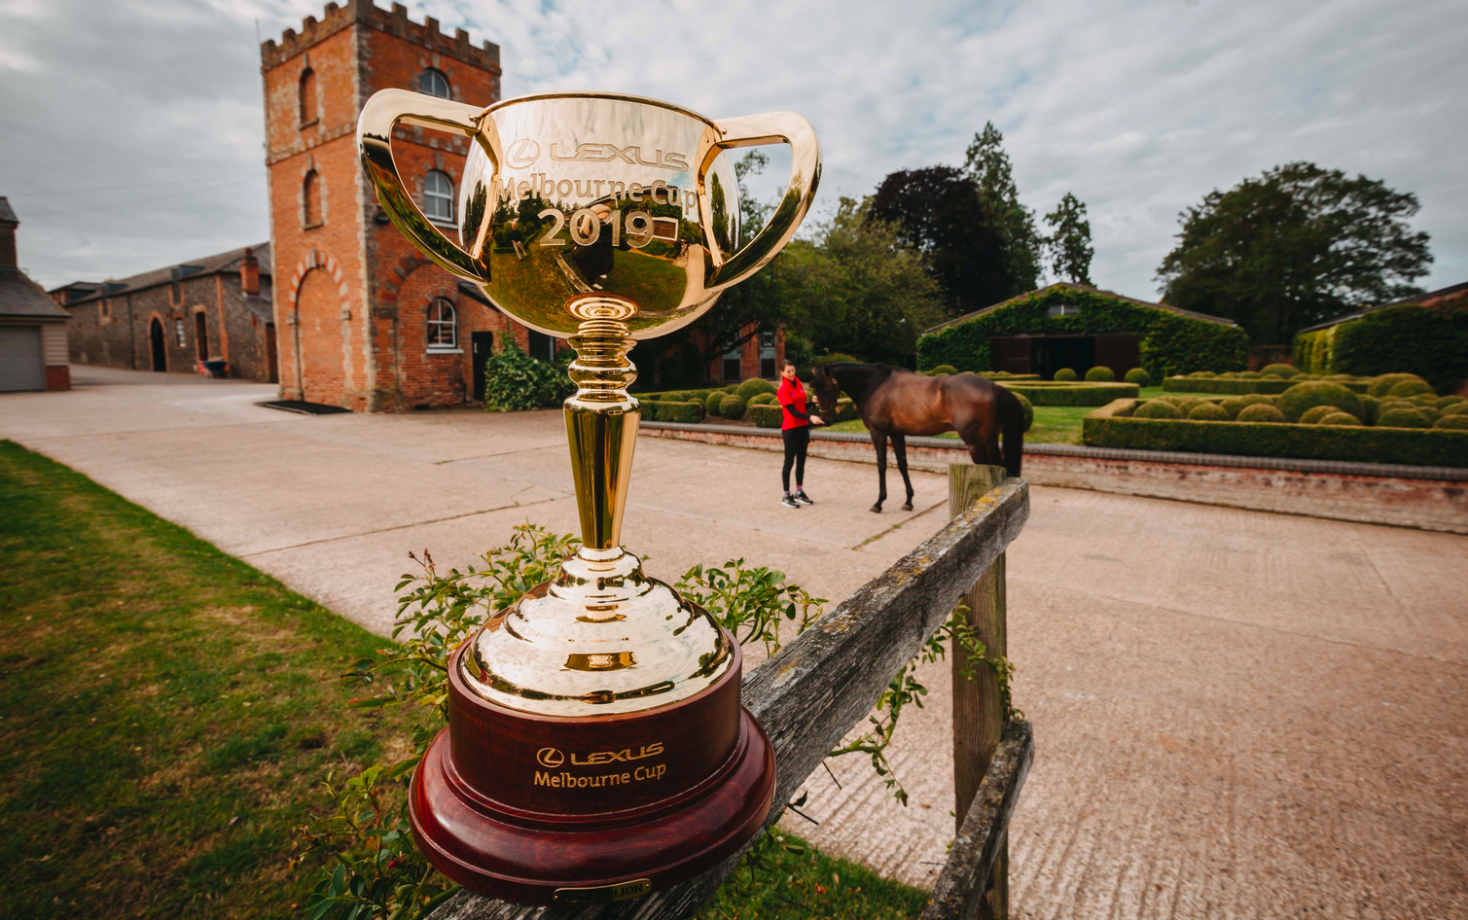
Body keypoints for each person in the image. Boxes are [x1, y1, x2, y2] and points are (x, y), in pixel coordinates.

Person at [777, 358, 822, 508]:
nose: (791, 373)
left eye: (793, 370)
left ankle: (799, 492)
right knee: (789, 462)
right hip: (790, 429)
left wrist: (812, 403)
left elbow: (801, 407)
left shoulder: (798, 382)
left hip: (803, 428)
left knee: (801, 461)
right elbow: (792, 411)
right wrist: (810, 417)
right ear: (782, 372)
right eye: (788, 371)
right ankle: (786, 495)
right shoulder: (783, 389)